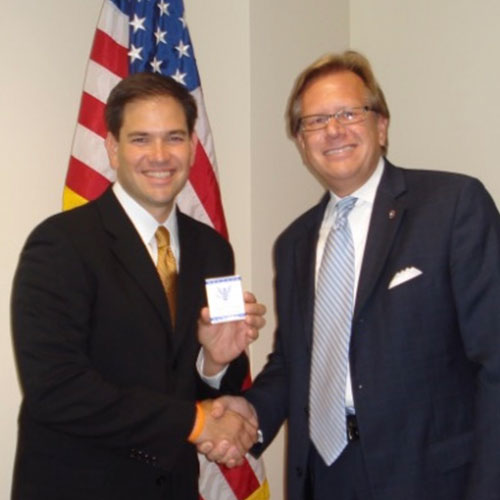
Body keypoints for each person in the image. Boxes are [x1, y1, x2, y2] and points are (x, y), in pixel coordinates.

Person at [209, 50, 500, 499]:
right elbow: (294, 362)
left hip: (432, 478)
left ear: (381, 126)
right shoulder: (293, 244)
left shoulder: (453, 204)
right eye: (316, 121)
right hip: (325, 476)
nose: (334, 130)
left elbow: (494, 360)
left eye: (349, 113)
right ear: (302, 142)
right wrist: (247, 410)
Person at [10, 72, 265, 500]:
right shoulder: (61, 244)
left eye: (174, 137)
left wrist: (214, 363)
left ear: (191, 145)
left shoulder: (213, 249)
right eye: (141, 139)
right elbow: (57, 389)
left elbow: (194, 382)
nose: (160, 155)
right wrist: (197, 423)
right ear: (112, 147)